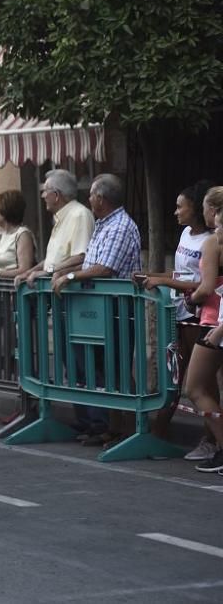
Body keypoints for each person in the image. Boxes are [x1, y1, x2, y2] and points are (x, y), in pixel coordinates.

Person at [51, 174, 141, 447]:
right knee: (105, 369)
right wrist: (62, 272)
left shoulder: (120, 227)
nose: (88, 199)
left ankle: (131, 428)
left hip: (116, 309)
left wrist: (68, 278)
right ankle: (113, 428)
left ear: (101, 198)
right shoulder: (104, 225)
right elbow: (91, 261)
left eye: (91, 194)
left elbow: (105, 268)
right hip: (99, 310)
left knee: (118, 369)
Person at [139, 181, 216, 450]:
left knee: (201, 383)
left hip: (200, 315)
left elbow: (203, 284)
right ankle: (160, 433)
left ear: (195, 209)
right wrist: (155, 277)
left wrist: (166, 284)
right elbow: (180, 274)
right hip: (180, 312)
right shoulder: (185, 235)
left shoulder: (211, 242)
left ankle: (211, 439)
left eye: (180, 207)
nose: (176, 212)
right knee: (177, 374)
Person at [171, 186, 223, 472]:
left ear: (212, 211)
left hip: (211, 321)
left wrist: (192, 299)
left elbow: (206, 287)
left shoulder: (213, 243)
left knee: (194, 386)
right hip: (215, 320)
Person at [15, 169, 95, 286]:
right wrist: (29, 272)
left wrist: (47, 271)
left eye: (46, 191)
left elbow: (81, 257)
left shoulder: (79, 215)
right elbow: (51, 261)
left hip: (71, 292)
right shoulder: (62, 216)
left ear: (56, 195)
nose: (43, 196)